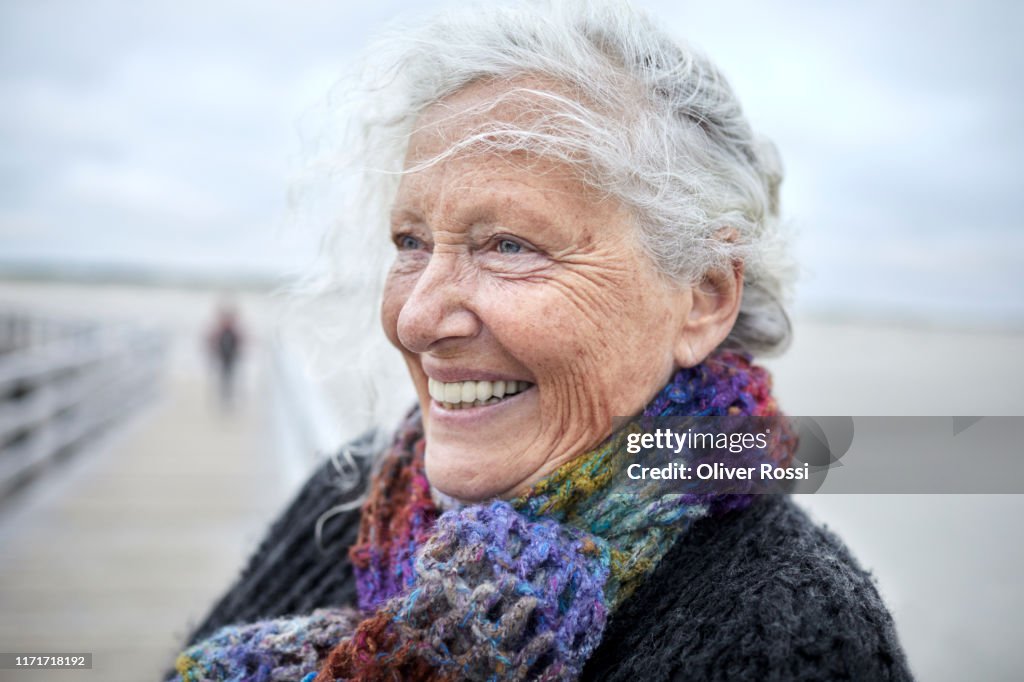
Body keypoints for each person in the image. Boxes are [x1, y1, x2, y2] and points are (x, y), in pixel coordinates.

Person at [172, 2, 912, 679]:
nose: (416, 319)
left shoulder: (785, 631)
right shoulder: (350, 495)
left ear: (704, 298)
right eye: (410, 241)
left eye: (510, 245)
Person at [206, 303, 243, 409]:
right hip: (222, 358)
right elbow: (212, 341)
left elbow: (240, 343)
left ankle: (229, 397)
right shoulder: (220, 331)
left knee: (230, 377)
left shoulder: (233, 332)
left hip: (231, 358)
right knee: (223, 378)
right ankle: (223, 397)